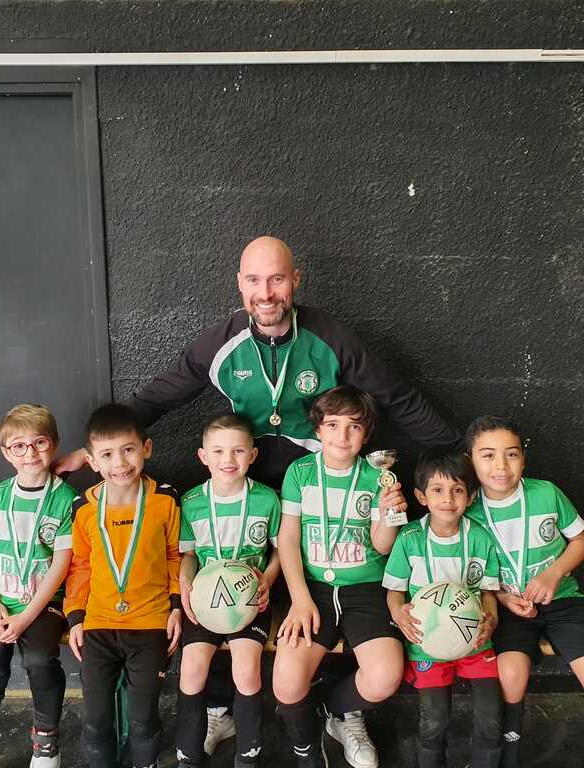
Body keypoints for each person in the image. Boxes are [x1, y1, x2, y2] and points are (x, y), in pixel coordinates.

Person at [56, 235, 459, 766]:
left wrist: (456, 451)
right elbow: (160, 394)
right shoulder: (222, 341)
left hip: (312, 487)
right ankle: (220, 706)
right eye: (254, 280)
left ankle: (343, 712)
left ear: (296, 281)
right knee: (223, 590)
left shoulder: (330, 337)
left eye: (276, 279)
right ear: (239, 284)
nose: (265, 293)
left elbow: (395, 395)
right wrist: (94, 451)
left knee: (313, 598)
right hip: (244, 479)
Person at [463, 416, 584, 768]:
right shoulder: (468, 512)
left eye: (511, 454)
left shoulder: (546, 493)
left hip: (563, 600)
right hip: (509, 610)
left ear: (524, 458)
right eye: (488, 455)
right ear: (470, 460)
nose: (501, 466)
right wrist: (503, 598)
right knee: (510, 677)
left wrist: (553, 574)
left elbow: (582, 541)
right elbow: (473, 574)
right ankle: (508, 758)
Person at [273, 386, 408, 768]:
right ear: (318, 429)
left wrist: (390, 513)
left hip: (366, 587)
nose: (342, 436)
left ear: (366, 434)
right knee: (287, 683)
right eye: (332, 425)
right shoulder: (300, 473)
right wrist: (299, 598)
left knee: (384, 677)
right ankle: (306, 747)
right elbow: (288, 538)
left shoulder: (378, 476)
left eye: (354, 427)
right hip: (313, 590)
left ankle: (339, 711)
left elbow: (382, 546)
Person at [63, 404, 183, 768]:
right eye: (107, 455)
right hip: (98, 625)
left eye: (128, 449)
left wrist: (177, 606)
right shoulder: (83, 508)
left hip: (150, 624)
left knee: (143, 719)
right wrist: (76, 617)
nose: (120, 463)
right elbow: (80, 565)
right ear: (91, 461)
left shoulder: (165, 500)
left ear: (146, 448)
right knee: (96, 721)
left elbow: (176, 556)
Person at [0, 404, 77, 768]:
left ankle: (46, 742)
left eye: (39, 442)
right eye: (18, 446)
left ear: (54, 444)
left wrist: (26, 617)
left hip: (43, 605)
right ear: (6, 453)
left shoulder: (66, 499)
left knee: (39, 660)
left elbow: (61, 565)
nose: (30, 453)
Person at [383, 449, 504, 768]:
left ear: (471, 496)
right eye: (437, 489)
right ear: (421, 496)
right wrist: (399, 614)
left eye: (457, 490)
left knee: (491, 718)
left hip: (476, 643)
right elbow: (394, 592)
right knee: (433, 722)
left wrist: (491, 618)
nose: (448, 499)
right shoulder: (409, 538)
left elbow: (488, 592)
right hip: (427, 645)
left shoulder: (480, 538)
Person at [175, 414, 282, 768]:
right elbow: (189, 556)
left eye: (238, 450)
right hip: (205, 601)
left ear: (252, 455)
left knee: (246, 669)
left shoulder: (267, 500)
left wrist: (267, 579)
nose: (228, 459)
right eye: (218, 451)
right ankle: (188, 756)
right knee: (191, 668)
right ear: (203, 456)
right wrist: (185, 582)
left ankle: (248, 757)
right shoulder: (191, 502)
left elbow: (280, 550)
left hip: (250, 599)